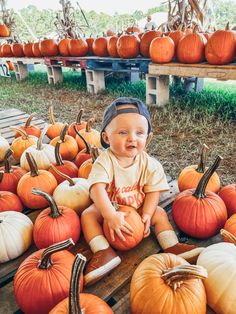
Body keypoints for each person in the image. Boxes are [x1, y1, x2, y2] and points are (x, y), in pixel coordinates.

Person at [81, 97, 203, 286]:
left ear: (148, 138)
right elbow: (97, 189)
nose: (132, 138)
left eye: (139, 133)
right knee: (88, 215)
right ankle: (103, 251)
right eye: (122, 132)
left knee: (160, 213)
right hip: (111, 208)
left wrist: (146, 214)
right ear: (106, 137)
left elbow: (153, 191)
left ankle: (171, 245)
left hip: (137, 209)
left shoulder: (149, 163)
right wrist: (111, 215)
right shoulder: (105, 161)